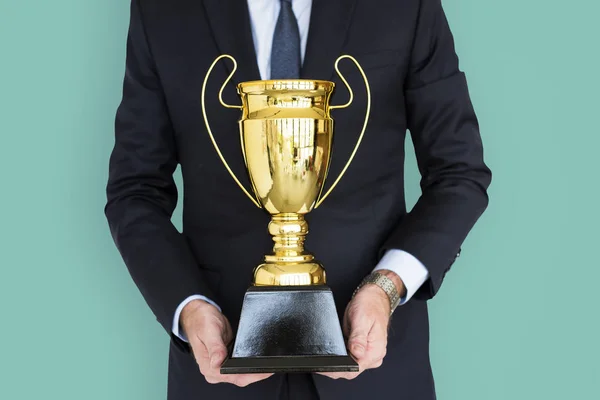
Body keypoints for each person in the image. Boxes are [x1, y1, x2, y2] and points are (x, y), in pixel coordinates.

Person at [105, 0, 491, 399]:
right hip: (220, 375)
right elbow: (135, 191)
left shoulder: (405, 6)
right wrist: (189, 308)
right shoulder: (162, 10)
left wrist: (387, 287)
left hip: (377, 374)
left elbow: (459, 174)